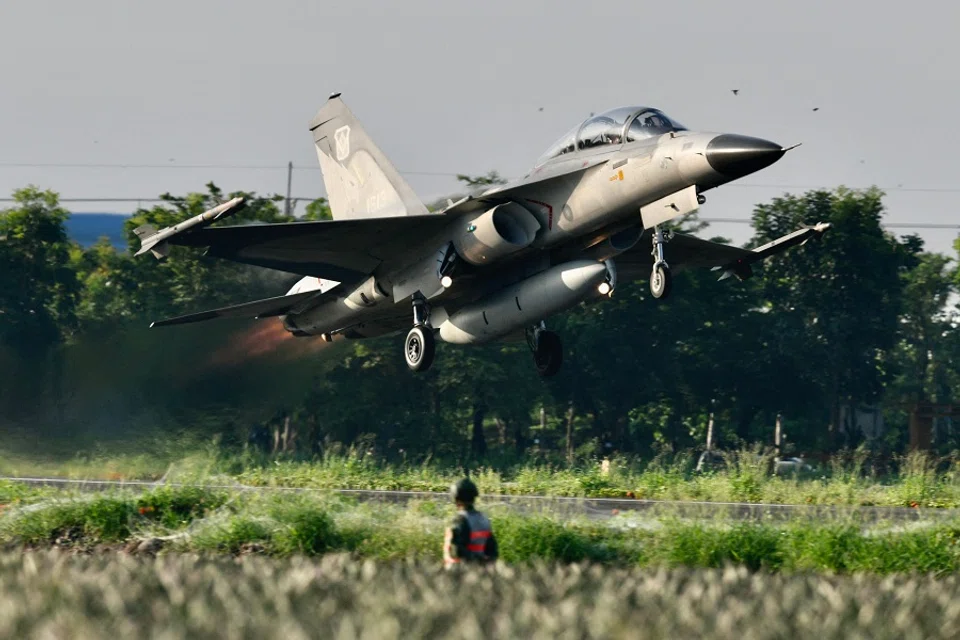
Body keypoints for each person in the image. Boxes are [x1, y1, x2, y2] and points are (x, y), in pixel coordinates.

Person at [443, 477, 498, 569]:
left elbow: (456, 551)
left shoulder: (459, 520)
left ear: (455, 498)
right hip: (480, 571)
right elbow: (493, 550)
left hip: (459, 571)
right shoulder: (484, 519)